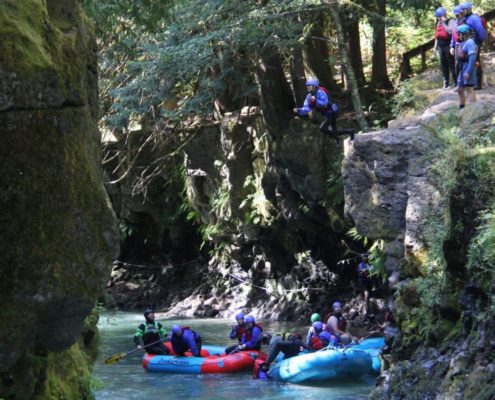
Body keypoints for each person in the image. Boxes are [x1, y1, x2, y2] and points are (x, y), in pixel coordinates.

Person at [460, 2, 486, 90]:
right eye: (462, 10)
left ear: (468, 9)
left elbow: (480, 30)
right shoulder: (464, 18)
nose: (462, 11)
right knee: (468, 61)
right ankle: (470, 81)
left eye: (463, 10)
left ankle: (478, 83)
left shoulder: (474, 18)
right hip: (467, 42)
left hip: (475, 41)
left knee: (476, 61)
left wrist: (480, 40)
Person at [456, 24, 478, 109]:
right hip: (462, 67)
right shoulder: (463, 42)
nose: (458, 36)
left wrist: (468, 72)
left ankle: (474, 109)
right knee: (460, 89)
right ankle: (462, 108)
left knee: (469, 88)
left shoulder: (470, 42)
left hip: (468, 67)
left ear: (465, 34)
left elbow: (472, 58)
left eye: (459, 34)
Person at [433, 7, 456, 88]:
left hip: (448, 45)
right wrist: (435, 48)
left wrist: (443, 23)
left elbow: (450, 31)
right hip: (441, 47)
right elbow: (436, 36)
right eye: (437, 17)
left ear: (444, 15)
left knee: (451, 64)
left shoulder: (451, 21)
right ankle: (445, 83)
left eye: (439, 17)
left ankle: (456, 82)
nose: (438, 18)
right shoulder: (438, 23)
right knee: (443, 65)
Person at [450, 6, 464, 85]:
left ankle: (467, 82)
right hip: (456, 45)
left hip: (464, 44)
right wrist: (451, 46)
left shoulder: (465, 21)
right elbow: (453, 34)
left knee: (465, 63)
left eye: (458, 15)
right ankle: (459, 83)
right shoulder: (455, 22)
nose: (457, 16)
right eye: (456, 15)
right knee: (457, 64)